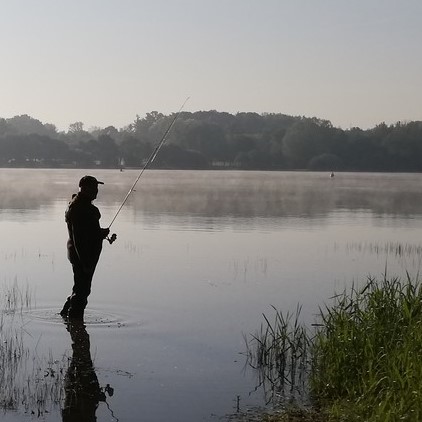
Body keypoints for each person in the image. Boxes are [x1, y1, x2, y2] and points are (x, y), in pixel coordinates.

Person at [60, 175, 115, 320]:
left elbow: (88, 232)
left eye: (97, 187)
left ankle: (65, 315)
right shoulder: (80, 208)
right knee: (83, 291)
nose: (96, 191)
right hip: (82, 256)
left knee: (79, 287)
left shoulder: (80, 205)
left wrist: (101, 233)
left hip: (81, 254)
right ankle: (75, 322)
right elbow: (79, 238)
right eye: (93, 187)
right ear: (84, 188)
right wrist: (85, 263)